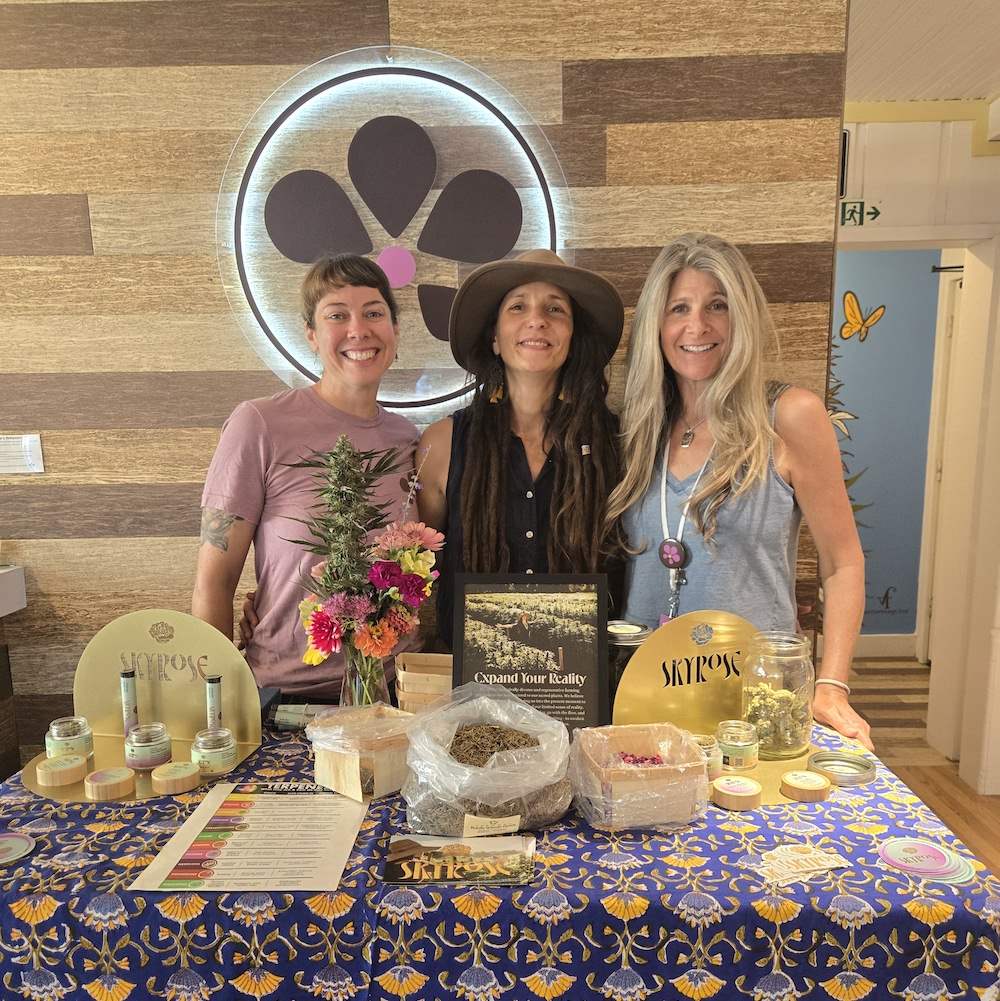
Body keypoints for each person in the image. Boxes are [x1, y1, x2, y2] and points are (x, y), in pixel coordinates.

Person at [607, 233, 873, 750]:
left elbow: (844, 565)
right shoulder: (638, 427)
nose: (696, 326)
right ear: (656, 327)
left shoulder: (789, 417)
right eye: (678, 308)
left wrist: (832, 687)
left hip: (754, 704)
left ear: (742, 317)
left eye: (717, 306)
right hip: (643, 699)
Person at [191, 254, 418, 699]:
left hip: (393, 692)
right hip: (288, 693)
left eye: (374, 312)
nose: (359, 329)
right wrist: (216, 702)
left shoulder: (406, 439)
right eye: (338, 315)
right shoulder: (259, 423)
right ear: (312, 336)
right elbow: (213, 582)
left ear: (394, 330)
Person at [418, 249, 626, 647]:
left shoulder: (615, 445)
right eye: (518, 306)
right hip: (472, 695)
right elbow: (424, 565)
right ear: (495, 339)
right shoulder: (442, 444)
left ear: (572, 337)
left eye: (555, 309)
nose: (537, 319)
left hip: (581, 691)